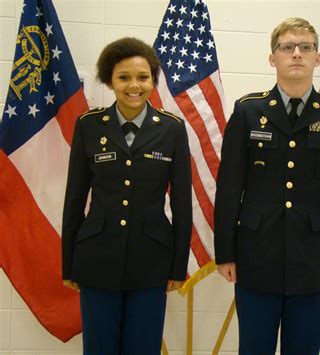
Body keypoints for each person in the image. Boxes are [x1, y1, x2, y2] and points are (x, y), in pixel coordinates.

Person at [214, 18, 320, 355]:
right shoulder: (248, 111)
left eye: (305, 47)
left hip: (313, 258)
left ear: (317, 58)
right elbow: (228, 188)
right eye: (287, 47)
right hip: (256, 256)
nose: (297, 54)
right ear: (273, 58)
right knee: (254, 349)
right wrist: (225, 251)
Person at [62, 37, 192, 354]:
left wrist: (178, 266)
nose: (134, 85)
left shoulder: (172, 128)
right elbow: (74, 199)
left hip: (151, 261)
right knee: (99, 348)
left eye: (143, 77)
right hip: (96, 259)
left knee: (143, 348)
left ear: (152, 80)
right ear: (110, 80)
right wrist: (69, 264)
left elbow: (182, 205)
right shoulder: (89, 126)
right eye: (124, 77)